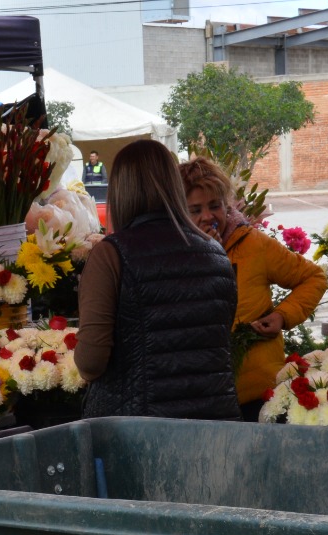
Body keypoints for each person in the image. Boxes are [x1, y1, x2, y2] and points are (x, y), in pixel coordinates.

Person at [74, 139, 240, 420]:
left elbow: (91, 361)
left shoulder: (111, 255)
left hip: (139, 430)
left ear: (120, 191)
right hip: (216, 423)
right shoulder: (216, 252)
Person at [180, 157, 326, 422]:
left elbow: (313, 277)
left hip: (258, 395)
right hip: (198, 397)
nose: (207, 217)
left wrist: (282, 315)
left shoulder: (253, 244)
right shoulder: (171, 255)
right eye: (195, 209)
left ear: (226, 205)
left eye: (215, 206)